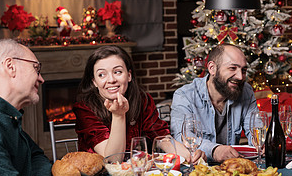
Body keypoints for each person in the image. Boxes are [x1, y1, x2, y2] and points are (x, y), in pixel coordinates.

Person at [0, 39, 145, 176]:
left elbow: (37, 155)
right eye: (36, 68)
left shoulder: (5, 115)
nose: (41, 78)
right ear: (10, 66)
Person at [73, 45, 202, 162]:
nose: (111, 80)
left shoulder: (141, 100)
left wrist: (190, 155)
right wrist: (119, 115)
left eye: (117, 72)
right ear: (94, 82)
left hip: (136, 171)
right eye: (102, 75)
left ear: (129, 76)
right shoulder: (84, 108)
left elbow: (162, 137)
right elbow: (113, 159)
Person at [170, 43, 259, 162]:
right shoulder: (184, 95)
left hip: (233, 168)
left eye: (243, 70)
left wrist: (259, 141)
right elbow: (181, 137)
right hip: (200, 169)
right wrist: (215, 150)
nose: (240, 76)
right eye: (232, 68)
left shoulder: (246, 91)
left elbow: (255, 128)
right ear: (212, 68)